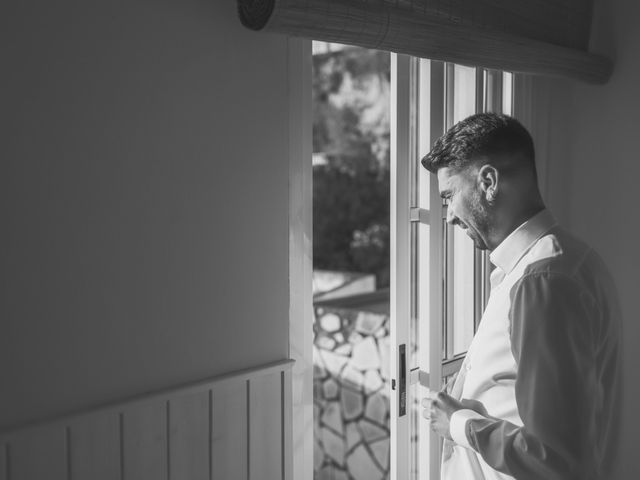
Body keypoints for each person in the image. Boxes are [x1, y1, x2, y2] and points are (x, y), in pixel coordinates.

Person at [420, 113, 622, 480]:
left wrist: (458, 423)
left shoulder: (543, 281)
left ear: (488, 181)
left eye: (449, 196)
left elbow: (555, 460)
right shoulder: (563, 260)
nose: (448, 216)